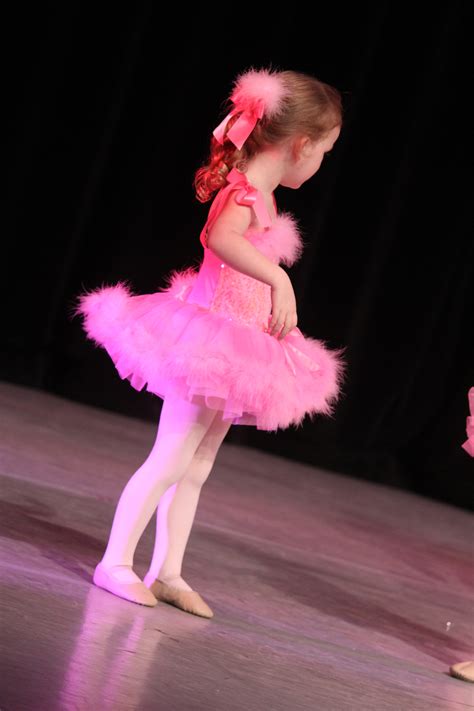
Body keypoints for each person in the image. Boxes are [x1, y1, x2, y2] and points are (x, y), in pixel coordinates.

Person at [71, 66, 347, 617]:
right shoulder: (243, 192)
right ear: (302, 144)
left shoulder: (263, 197)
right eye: (324, 153)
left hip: (236, 343)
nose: (321, 166)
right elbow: (217, 239)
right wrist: (279, 278)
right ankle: (116, 562)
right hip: (204, 342)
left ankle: (168, 570)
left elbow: (249, 268)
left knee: (196, 465)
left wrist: (276, 313)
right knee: (171, 456)